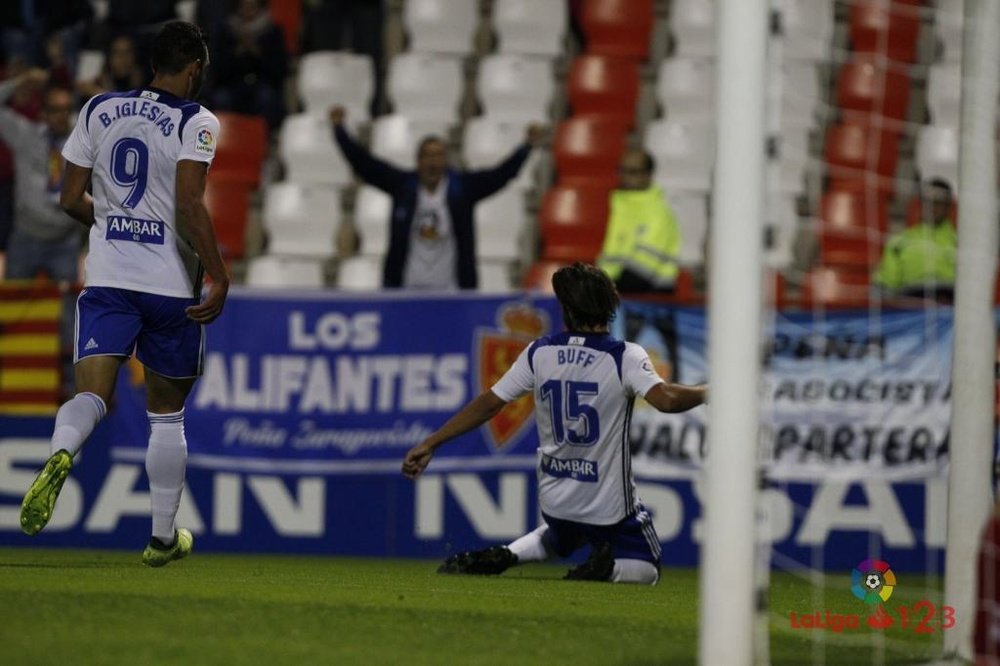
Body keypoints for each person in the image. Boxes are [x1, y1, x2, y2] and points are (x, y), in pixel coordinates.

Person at [18, 21, 229, 569]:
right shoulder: (195, 120)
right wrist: (220, 274)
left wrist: (113, 220)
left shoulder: (96, 109)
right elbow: (189, 203)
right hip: (169, 288)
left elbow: (68, 198)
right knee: (166, 415)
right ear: (193, 69)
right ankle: (162, 538)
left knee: (91, 396)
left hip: (109, 278)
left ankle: (62, 450)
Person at [401, 262, 708, 584]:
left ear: (566, 309)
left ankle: (508, 554)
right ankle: (607, 570)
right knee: (648, 568)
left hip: (556, 500)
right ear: (608, 303)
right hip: (606, 504)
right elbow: (667, 400)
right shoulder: (623, 356)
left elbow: (489, 404)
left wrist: (431, 442)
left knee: (561, 534)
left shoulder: (540, 352)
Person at [330, 106, 542, 290]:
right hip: (405, 289)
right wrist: (340, 131)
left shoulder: (462, 190)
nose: (433, 162)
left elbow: (500, 175)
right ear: (418, 161)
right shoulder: (404, 187)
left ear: (446, 160)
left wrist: (526, 147)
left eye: (438, 155)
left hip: (451, 291)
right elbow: (365, 165)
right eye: (427, 156)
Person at [0, 68, 80, 282]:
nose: (62, 115)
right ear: (43, 113)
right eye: (55, 110)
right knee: (13, 311)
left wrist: (87, 88)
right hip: (26, 237)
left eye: (66, 109)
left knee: (69, 313)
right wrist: (21, 79)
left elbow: (121, 122)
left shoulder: (82, 138)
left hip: (66, 240)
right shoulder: (26, 134)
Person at [596, 148, 682, 294]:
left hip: (650, 300)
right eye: (622, 170)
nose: (625, 176)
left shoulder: (658, 212)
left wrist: (599, 292)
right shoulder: (619, 208)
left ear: (648, 175)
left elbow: (641, 271)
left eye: (633, 171)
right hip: (618, 296)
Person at [207, 0, 288, 131]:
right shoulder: (224, 31)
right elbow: (217, 70)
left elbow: (280, 70)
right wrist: (237, 54)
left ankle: (263, 140)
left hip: (262, 84)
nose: (248, 12)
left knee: (267, 98)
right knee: (221, 99)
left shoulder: (273, 31)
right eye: (244, 7)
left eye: (253, 8)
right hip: (231, 85)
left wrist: (259, 54)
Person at [872, 178, 957, 301]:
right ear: (921, 204)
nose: (932, 206)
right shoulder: (899, 242)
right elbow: (884, 285)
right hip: (911, 306)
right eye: (928, 201)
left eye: (938, 202)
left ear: (948, 205)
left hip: (951, 306)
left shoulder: (960, 243)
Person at [77, 34, 145, 98]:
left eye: (128, 52)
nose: (123, 58)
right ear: (109, 57)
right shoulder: (99, 80)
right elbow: (82, 87)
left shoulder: (145, 83)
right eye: (117, 53)